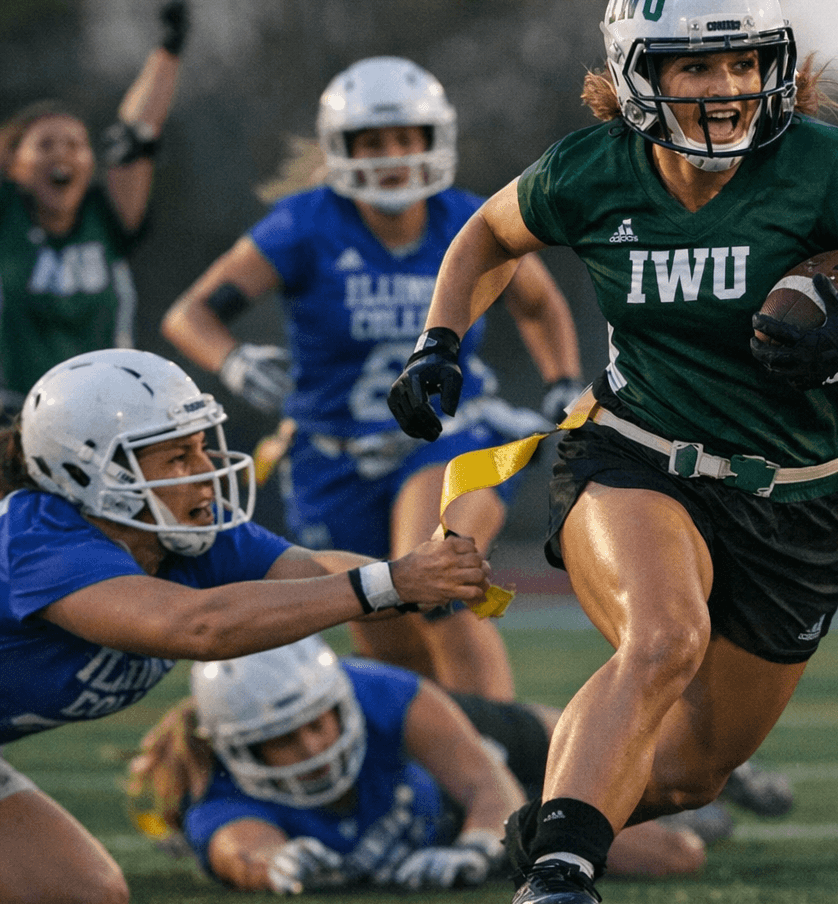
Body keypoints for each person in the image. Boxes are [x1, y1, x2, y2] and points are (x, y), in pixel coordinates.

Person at [385, 0, 838, 904]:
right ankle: (559, 884)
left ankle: (542, 827)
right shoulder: (595, 170)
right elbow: (488, 234)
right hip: (637, 453)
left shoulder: (824, 166)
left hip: (800, 502)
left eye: (746, 62)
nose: (728, 87)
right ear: (639, 74)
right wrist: (439, 341)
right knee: (664, 638)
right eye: (697, 66)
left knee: (690, 773)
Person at [0, 348, 488, 904]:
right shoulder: (37, 538)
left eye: (201, 446)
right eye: (176, 456)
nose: (204, 473)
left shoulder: (188, 533)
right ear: (91, 470)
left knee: (84, 896)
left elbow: (317, 572)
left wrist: (425, 578)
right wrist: (391, 584)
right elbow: (192, 626)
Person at [162, 56, 583, 701]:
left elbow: (538, 303)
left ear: (433, 140)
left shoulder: (466, 221)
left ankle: (507, 767)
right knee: (385, 626)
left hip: (454, 434)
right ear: (341, 149)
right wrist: (234, 359)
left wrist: (560, 383)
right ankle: (469, 762)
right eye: (373, 142)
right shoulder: (306, 224)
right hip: (335, 458)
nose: (392, 155)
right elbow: (190, 315)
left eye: (406, 138)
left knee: (433, 575)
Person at [126, 635, 740, 896]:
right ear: (236, 747)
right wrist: (275, 865)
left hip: (473, 757)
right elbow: (245, 850)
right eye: (283, 739)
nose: (314, 747)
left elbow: (483, 778)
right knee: (674, 854)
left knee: (589, 752)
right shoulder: (222, 804)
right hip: (438, 816)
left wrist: (477, 849)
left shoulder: (376, 695)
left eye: (319, 721)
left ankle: (721, 775)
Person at [0, 0, 188, 450]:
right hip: (5, 423)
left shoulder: (106, 218)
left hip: (104, 423)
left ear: (89, 164)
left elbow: (138, 132)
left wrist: (168, 50)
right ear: (14, 165)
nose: (62, 154)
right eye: (45, 145)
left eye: (75, 144)